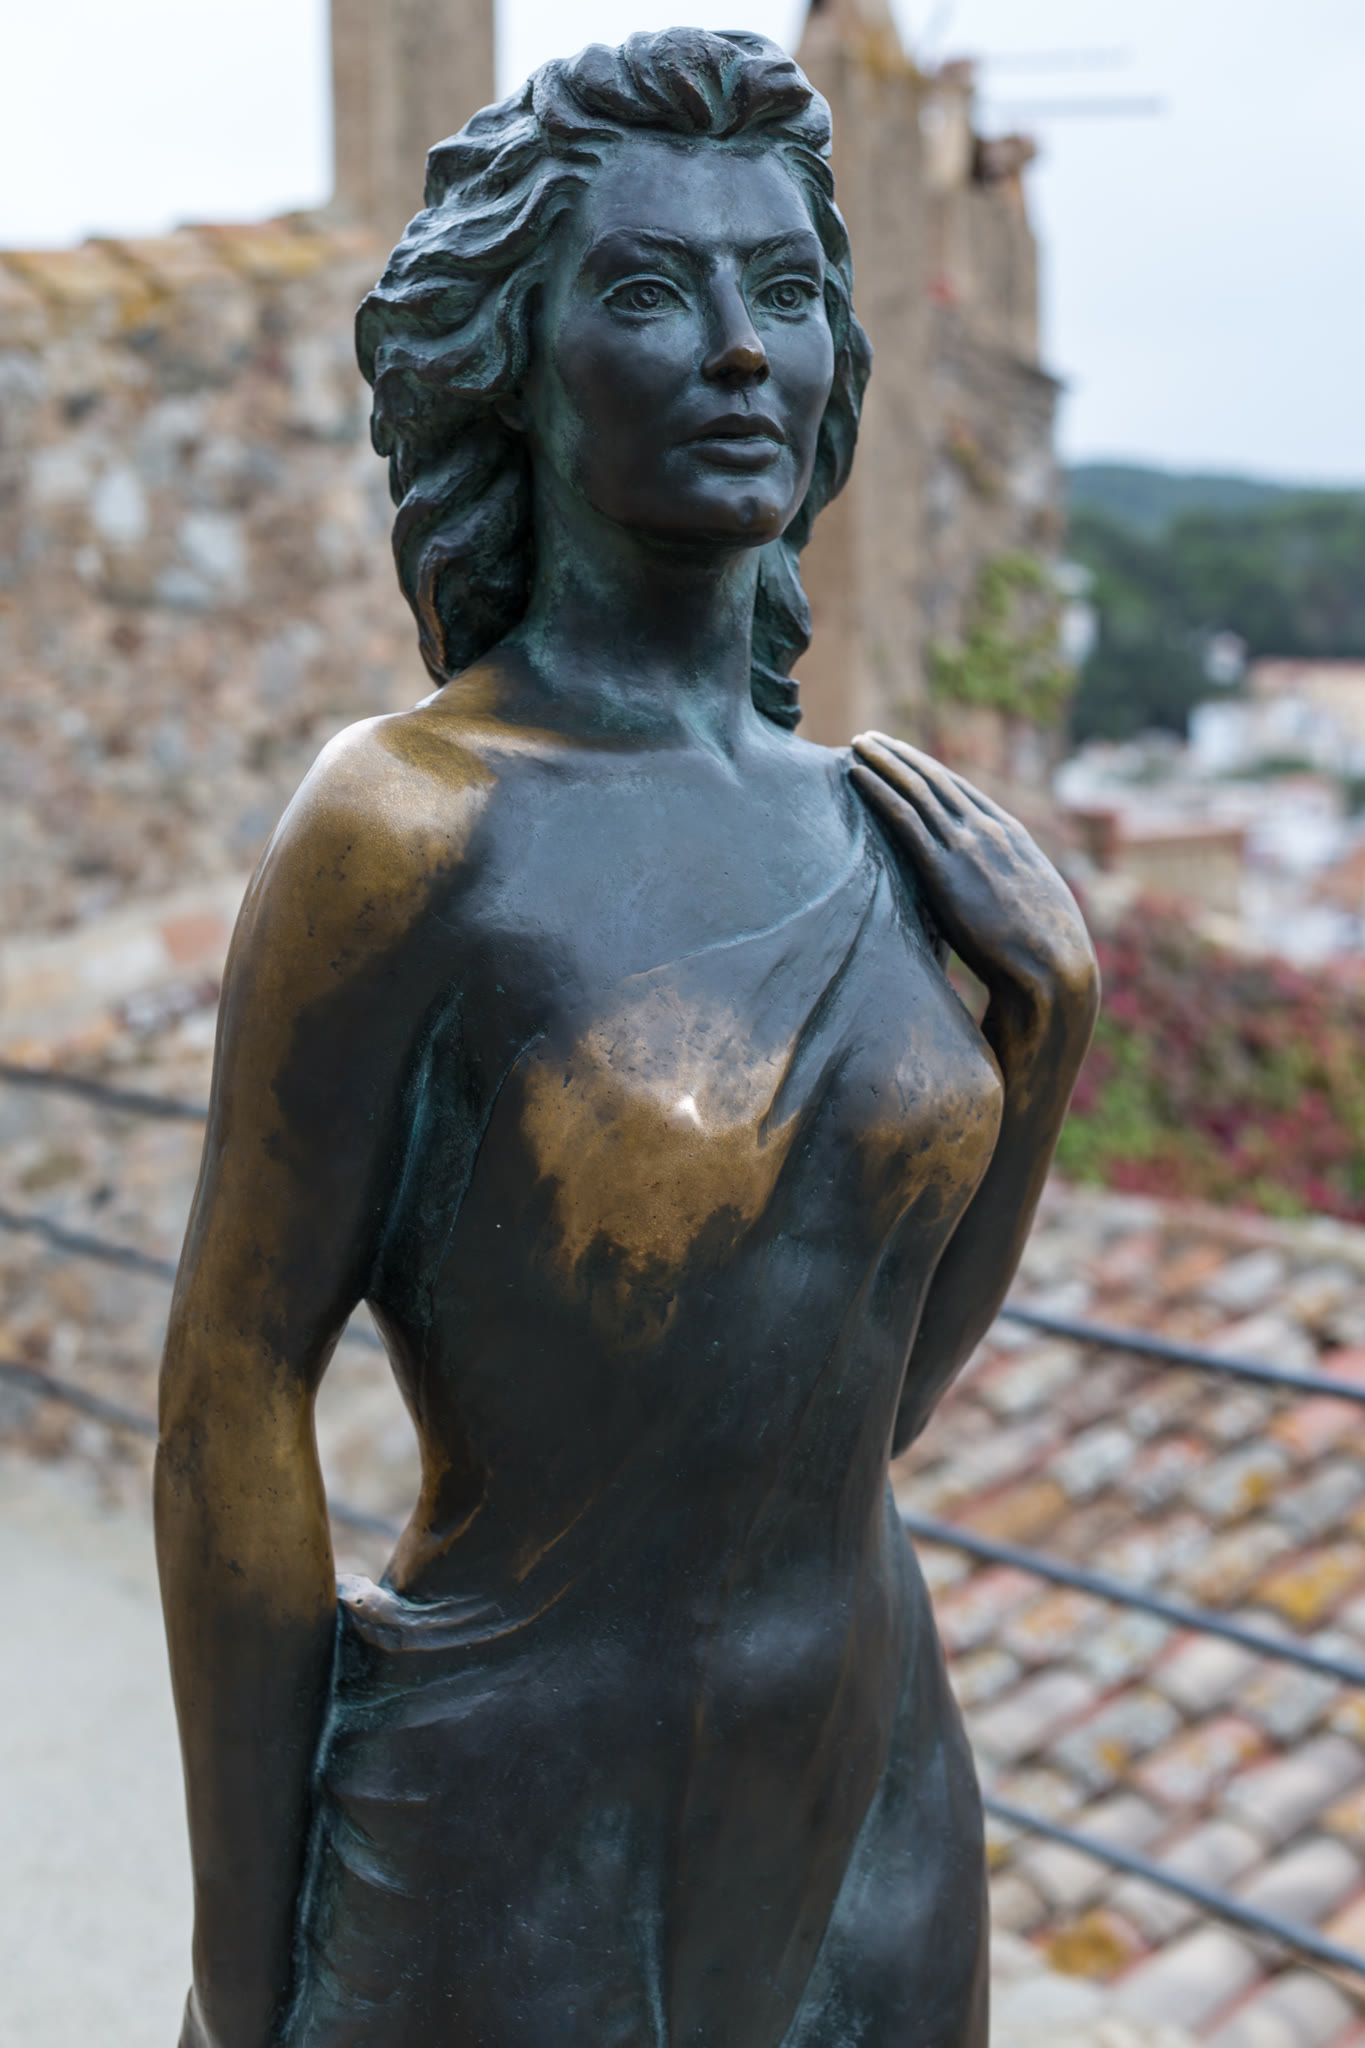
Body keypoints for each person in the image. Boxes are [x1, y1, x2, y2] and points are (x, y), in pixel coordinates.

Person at [156, 28, 1097, 2047]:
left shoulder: (874, 829)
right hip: (510, 1805)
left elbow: (858, 1409)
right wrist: (246, 1957)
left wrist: (1047, 1044)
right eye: (651, 292)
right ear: (515, 359)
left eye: (785, 291)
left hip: (872, 1797)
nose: (741, 349)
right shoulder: (408, 823)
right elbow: (233, 1385)